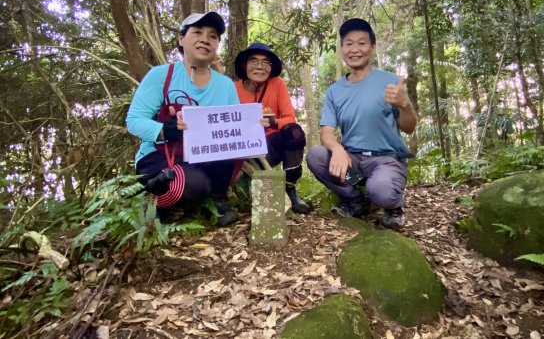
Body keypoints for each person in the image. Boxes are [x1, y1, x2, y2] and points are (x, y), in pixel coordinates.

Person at [126, 12, 241, 226]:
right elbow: (134, 120)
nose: (205, 39)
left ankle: (216, 203)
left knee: (228, 153)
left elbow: (235, 128)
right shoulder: (161, 75)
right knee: (192, 183)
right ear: (181, 39)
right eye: (197, 32)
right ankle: (158, 199)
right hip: (159, 156)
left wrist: (253, 126)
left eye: (213, 36)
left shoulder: (225, 85)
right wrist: (162, 130)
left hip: (202, 157)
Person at [306, 18, 417, 229]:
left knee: (381, 191)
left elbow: (409, 128)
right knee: (316, 156)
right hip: (353, 165)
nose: (355, 49)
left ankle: (392, 205)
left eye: (362, 43)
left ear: (372, 47)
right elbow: (326, 132)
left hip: (386, 161)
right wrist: (337, 149)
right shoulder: (335, 91)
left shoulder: (390, 81)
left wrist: (405, 105)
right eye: (348, 43)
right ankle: (356, 199)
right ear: (341, 49)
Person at [233, 42, 312, 214]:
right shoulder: (233, 88)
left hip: (270, 147)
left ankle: (290, 188)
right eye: (253, 61)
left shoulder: (277, 84)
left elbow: (290, 118)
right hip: (243, 152)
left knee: (294, 132)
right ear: (244, 65)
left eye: (265, 62)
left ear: (270, 67)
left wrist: (273, 122)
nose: (259, 66)